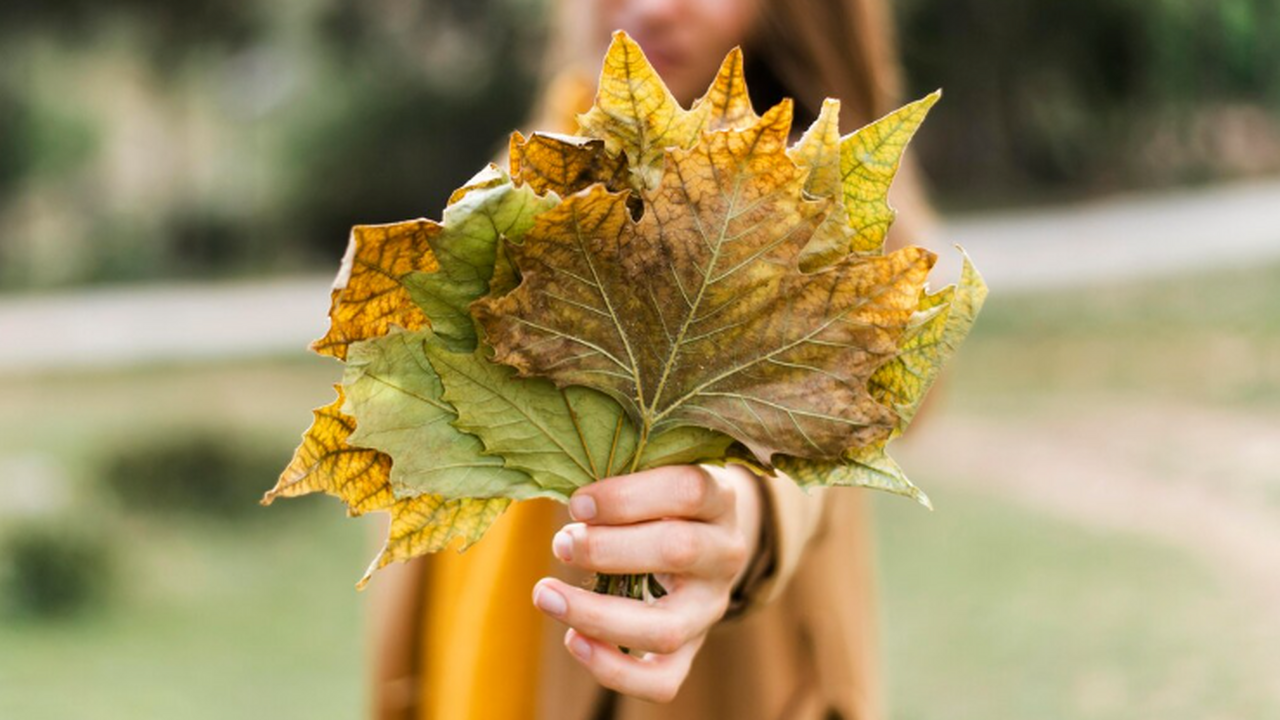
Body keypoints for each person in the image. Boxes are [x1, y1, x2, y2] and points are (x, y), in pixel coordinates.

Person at [373, 0, 930, 718]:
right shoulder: (529, 166)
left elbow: (845, 402)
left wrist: (743, 516)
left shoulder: (793, 186)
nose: (657, 7)